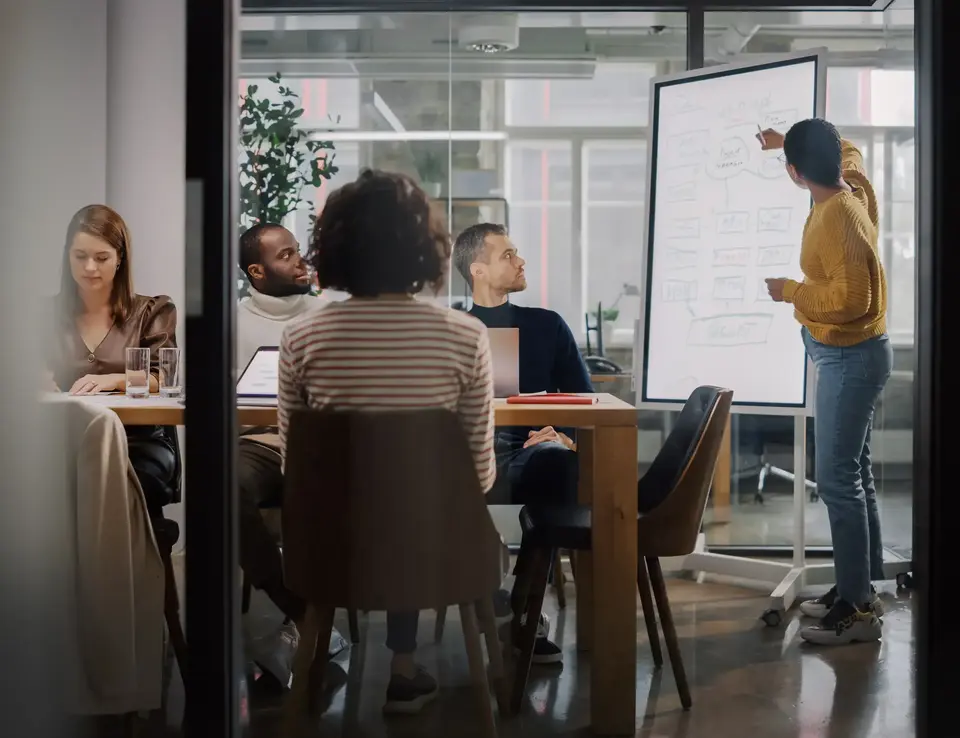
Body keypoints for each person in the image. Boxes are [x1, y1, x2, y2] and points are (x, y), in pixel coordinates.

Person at [277, 170, 496, 714]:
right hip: (439, 553)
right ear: (426, 248)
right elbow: (480, 475)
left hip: (333, 552)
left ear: (333, 248)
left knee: (379, 501)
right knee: (412, 501)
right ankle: (405, 667)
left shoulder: (301, 338)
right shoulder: (466, 336)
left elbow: (295, 466)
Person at [758, 119, 891, 646]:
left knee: (838, 481)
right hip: (852, 355)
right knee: (854, 472)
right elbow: (848, 148)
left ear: (794, 173)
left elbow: (851, 302)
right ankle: (860, 588)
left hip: (849, 357)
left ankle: (857, 612)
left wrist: (791, 290)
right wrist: (784, 142)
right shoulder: (852, 182)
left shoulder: (838, 215)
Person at [452, 223, 592, 667]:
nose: (521, 261)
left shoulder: (546, 325)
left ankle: (525, 611)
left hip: (528, 451)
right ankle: (491, 593)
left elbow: (583, 399)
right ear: (477, 269)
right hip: (462, 456)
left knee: (558, 463)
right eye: (508, 255)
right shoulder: (451, 329)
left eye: (518, 253)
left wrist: (563, 434)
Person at [48, 204, 179, 517]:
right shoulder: (45, 315)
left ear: (120, 259)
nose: (90, 267)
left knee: (107, 482)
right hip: (64, 438)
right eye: (80, 256)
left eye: (101, 257)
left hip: (137, 439)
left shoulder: (152, 311)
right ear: (67, 256)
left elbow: (163, 377)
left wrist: (115, 380)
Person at [235, 224, 317, 635]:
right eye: (285, 255)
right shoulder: (231, 322)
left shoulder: (328, 315)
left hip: (321, 446)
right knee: (224, 485)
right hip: (260, 442)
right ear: (257, 271)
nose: (300, 261)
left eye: (297, 250)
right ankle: (295, 605)